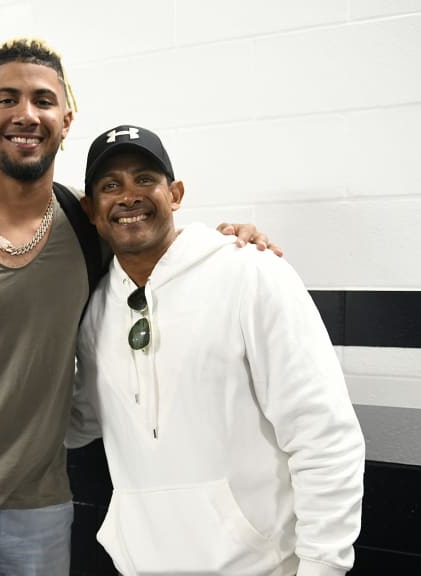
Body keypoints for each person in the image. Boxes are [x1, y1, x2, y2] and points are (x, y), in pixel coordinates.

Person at [0, 38, 276, 576]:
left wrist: (229, 241)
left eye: (43, 100)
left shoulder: (85, 223)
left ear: (65, 122)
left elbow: (155, 243)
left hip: (38, 511)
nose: (26, 114)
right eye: (7, 99)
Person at [67, 125, 365, 576]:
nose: (128, 196)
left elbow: (323, 433)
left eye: (144, 179)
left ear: (175, 194)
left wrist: (323, 565)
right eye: (110, 186)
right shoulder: (97, 310)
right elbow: (83, 421)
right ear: (91, 210)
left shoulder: (251, 273)